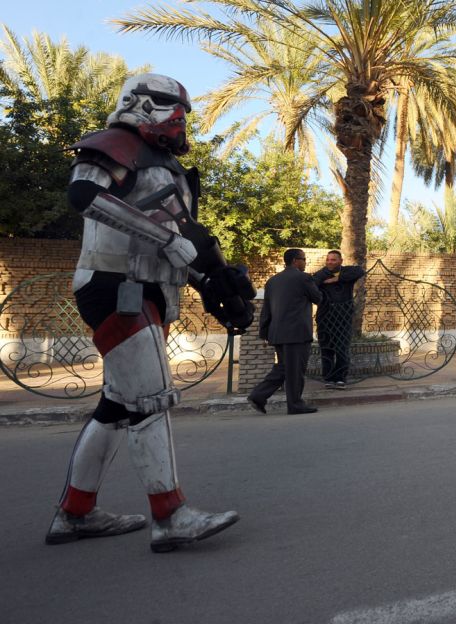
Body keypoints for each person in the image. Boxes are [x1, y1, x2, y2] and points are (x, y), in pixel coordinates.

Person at [47, 73, 254, 552]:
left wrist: (213, 285)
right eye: (164, 103)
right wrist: (168, 241)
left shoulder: (165, 166)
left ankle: (74, 514)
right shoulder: (114, 144)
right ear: (136, 102)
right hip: (116, 287)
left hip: (145, 291)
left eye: (181, 107)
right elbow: (84, 196)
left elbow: (179, 242)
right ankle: (171, 515)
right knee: (153, 399)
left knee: (118, 407)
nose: (177, 116)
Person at [249, 249, 323, 414]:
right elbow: (318, 298)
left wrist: (264, 333)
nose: (305, 262)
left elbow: (266, 310)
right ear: (296, 260)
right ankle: (295, 404)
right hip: (296, 333)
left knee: (283, 368)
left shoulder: (272, 281)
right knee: (295, 370)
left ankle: (258, 396)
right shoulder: (303, 278)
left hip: (277, 334)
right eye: (304, 259)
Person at [312, 250, 366, 388]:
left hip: (344, 318)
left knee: (342, 349)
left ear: (341, 261)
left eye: (333, 260)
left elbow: (360, 271)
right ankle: (329, 378)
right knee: (327, 349)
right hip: (325, 318)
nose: (330, 262)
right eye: (328, 259)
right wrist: (327, 275)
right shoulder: (321, 274)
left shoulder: (347, 272)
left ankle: (340, 378)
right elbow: (313, 284)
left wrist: (338, 278)